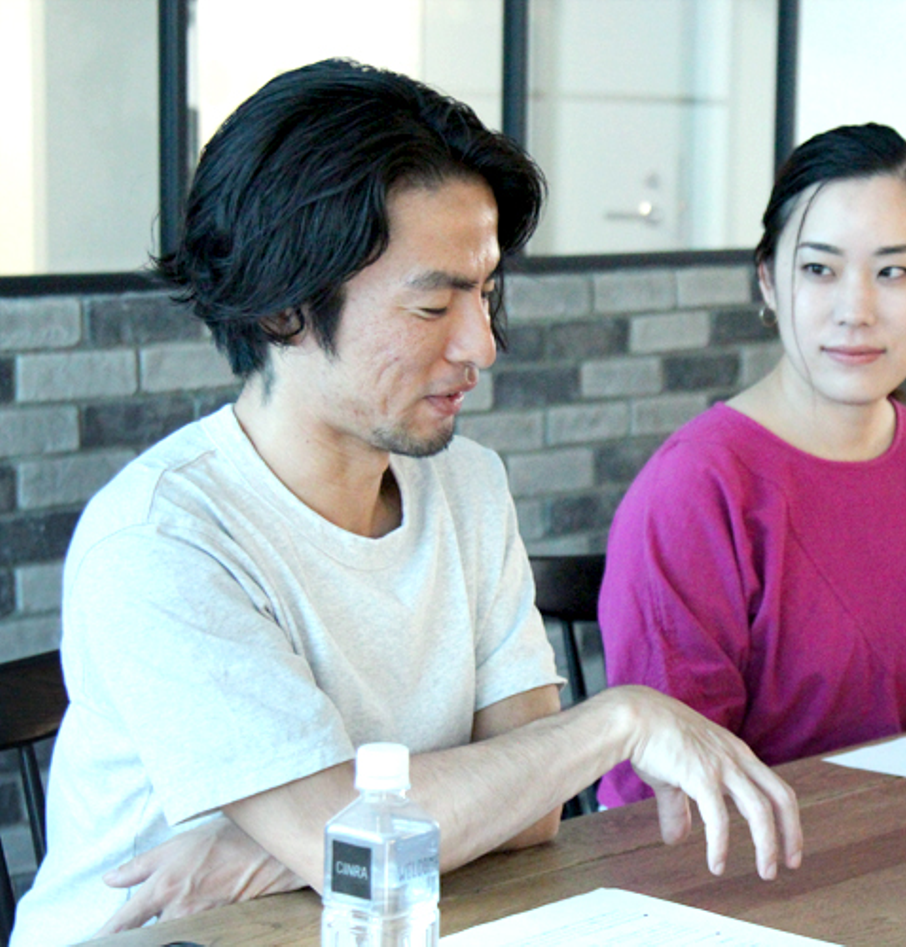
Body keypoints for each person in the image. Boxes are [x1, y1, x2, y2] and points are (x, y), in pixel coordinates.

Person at [11, 59, 800, 946]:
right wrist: (620, 718)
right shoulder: (160, 540)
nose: (482, 345)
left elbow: (529, 812)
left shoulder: (467, 484)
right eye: (433, 307)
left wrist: (283, 848)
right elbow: (375, 825)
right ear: (282, 309)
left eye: (486, 293)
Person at [597, 124, 906, 807]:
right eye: (819, 269)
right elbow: (663, 805)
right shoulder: (697, 489)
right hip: (748, 865)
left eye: (893, 272)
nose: (856, 310)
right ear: (768, 280)